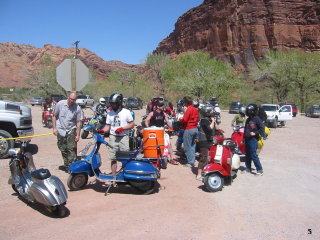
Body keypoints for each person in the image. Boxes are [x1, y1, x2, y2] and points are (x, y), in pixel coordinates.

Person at [101, 93, 135, 175]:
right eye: (111, 103)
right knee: (113, 158)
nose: (112, 105)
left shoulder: (126, 112)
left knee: (125, 157)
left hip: (124, 137)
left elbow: (132, 124)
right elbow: (107, 126)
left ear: (119, 103)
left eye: (114, 103)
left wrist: (122, 128)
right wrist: (102, 131)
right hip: (113, 137)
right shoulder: (110, 113)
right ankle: (113, 175)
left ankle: (125, 174)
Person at [52, 92, 83, 171]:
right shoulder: (60, 104)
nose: (72, 101)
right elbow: (54, 115)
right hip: (60, 129)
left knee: (71, 148)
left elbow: (78, 121)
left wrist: (78, 134)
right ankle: (67, 165)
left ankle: (73, 167)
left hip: (71, 129)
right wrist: (54, 128)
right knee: (62, 147)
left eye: (74, 100)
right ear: (68, 97)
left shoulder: (77, 108)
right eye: (71, 99)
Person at [145, 100, 179, 165]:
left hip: (161, 130)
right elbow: (147, 120)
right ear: (157, 106)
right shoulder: (152, 113)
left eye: (163, 105)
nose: (162, 107)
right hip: (153, 130)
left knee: (168, 142)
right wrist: (148, 127)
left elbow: (168, 122)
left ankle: (172, 158)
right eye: (161, 106)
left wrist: (173, 127)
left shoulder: (164, 114)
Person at [196, 104, 217, 180]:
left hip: (209, 140)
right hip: (203, 141)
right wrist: (213, 121)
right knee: (203, 157)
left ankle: (206, 171)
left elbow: (216, 128)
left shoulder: (209, 120)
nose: (212, 112)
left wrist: (214, 121)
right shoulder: (204, 120)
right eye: (211, 111)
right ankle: (198, 174)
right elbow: (209, 128)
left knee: (210, 157)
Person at [243, 104, 264, 176]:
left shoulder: (257, 119)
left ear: (253, 111)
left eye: (250, 110)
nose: (248, 111)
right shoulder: (248, 119)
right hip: (247, 139)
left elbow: (262, 129)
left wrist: (255, 133)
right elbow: (245, 129)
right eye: (248, 110)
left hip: (253, 139)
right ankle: (248, 168)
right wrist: (243, 138)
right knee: (247, 154)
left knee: (253, 155)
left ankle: (259, 170)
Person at [179, 96, 199, 167]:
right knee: (193, 146)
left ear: (186, 102)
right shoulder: (195, 109)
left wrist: (180, 119)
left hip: (189, 128)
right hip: (195, 128)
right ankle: (192, 160)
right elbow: (198, 119)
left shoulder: (189, 109)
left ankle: (190, 162)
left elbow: (185, 120)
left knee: (187, 146)